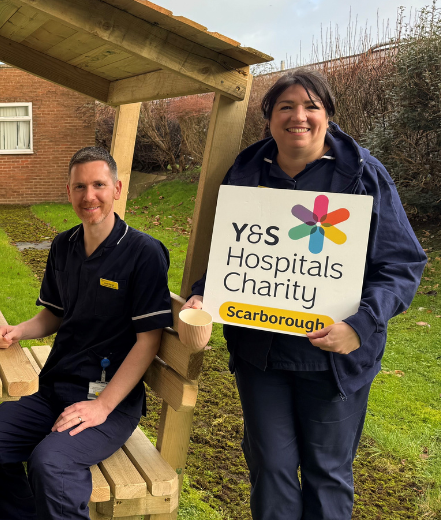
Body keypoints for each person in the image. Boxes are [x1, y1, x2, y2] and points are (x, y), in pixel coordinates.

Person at [183, 70, 426, 520]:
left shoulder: (363, 176)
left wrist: (361, 325)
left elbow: (402, 264)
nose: (299, 116)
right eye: (286, 107)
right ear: (269, 117)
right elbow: (234, 254)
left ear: (328, 116)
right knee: (270, 469)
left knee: (327, 474)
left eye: (311, 106)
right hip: (261, 357)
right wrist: (205, 296)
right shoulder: (245, 172)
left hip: (334, 361)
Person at [0, 147, 172, 520]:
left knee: (51, 465)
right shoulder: (63, 246)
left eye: (99, 185)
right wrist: (20, 331)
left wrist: (102, 406)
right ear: (69, 192)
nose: (89, 196)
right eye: (79, 186)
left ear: (118, 188)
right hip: (54, 388)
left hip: (109, 399)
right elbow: (55, 313)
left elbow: (148, 340)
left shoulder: (144, 253)